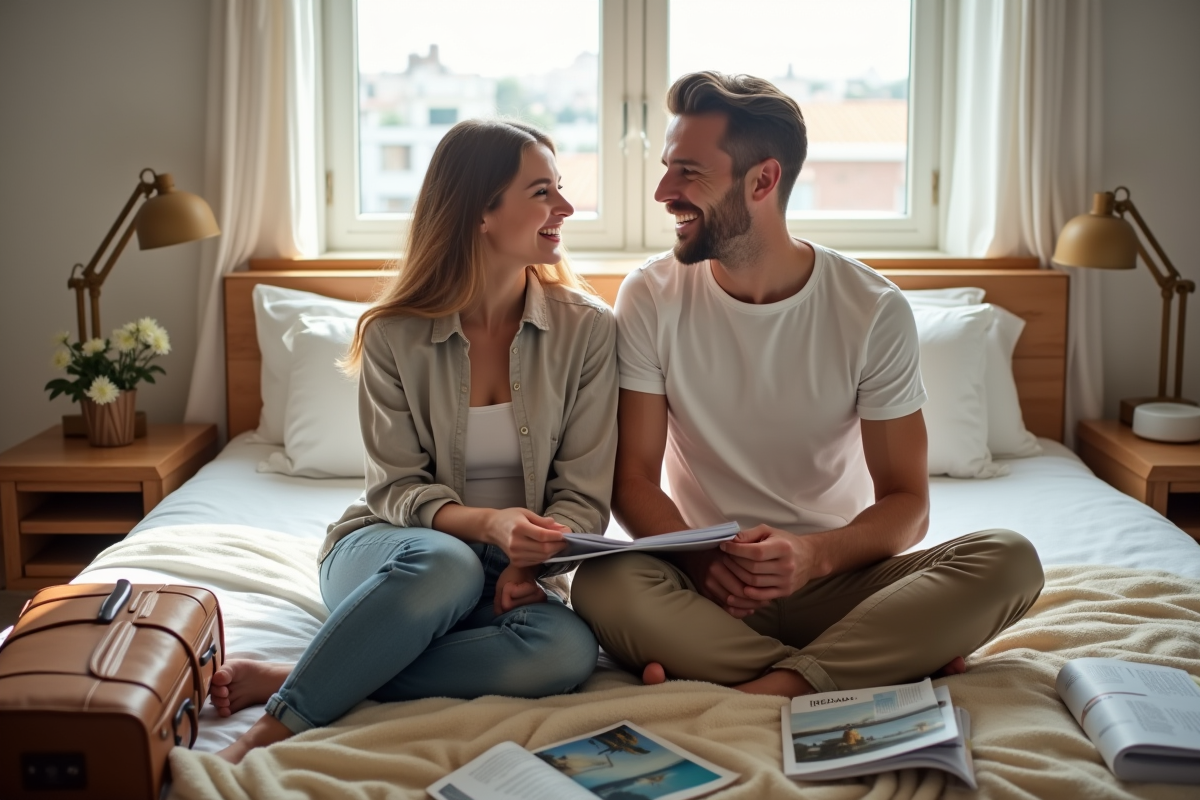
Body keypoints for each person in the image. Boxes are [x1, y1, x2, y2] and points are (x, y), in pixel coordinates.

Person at [571, 72, 1044, 698]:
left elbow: (908, 502)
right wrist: (702, 560)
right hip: (707, 584)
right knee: (601, 583)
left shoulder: (871, 308)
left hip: (840, 583)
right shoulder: (651, 296)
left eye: (689, 171)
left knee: (1009, 559)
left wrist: (815, 556)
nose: (664, 191)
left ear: (763, 180)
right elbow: (632, 480)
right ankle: (854, 667)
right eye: (666, 168)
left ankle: (766, 687)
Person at [212, 119, 618, 763]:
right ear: (480, 212)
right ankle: (280, 721)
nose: (565, 208)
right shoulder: (393, 334)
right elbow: (396, 488)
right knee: (446, 563)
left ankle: (314, 667)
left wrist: (528, 558)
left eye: (560, 189)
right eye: (543, 192)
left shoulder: (589, 332)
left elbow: (585, 493)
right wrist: (489, 526)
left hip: (515, 568)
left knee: (564, 652)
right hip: (392, 558)